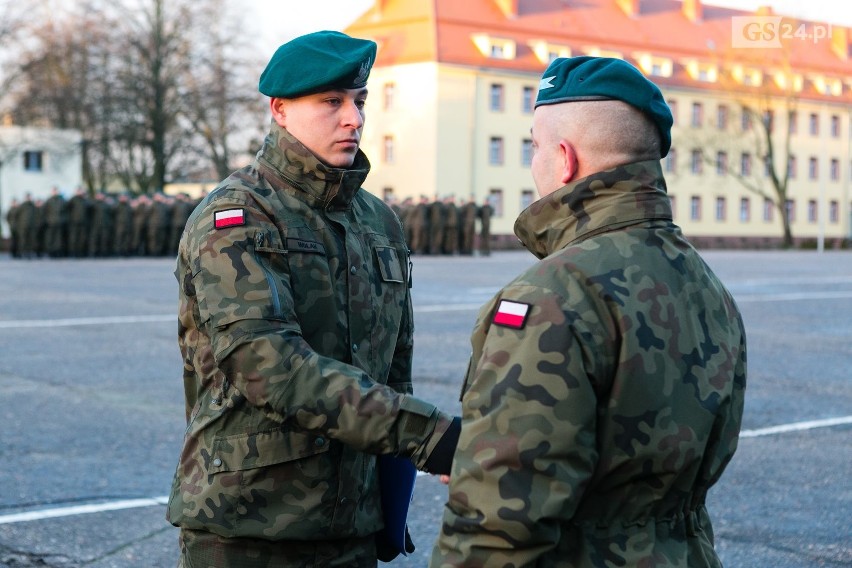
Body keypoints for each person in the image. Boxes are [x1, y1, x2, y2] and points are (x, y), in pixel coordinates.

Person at [430, 56, 747, 567]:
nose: (533, 162)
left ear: (564, 158)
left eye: (534, 147)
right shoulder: (707, 285)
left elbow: (498, 527)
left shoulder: (550, 296)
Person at [167, 30, 461, 568]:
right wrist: (429, 435)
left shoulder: (377, 220)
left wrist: (391, 495)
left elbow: (394, 369)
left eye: (360, 101)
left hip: (351, 524)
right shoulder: (238, 216)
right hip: (250, 527)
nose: (354, 118)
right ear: (280, 110)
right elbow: (270, 366)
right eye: (332, 102)